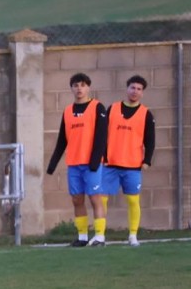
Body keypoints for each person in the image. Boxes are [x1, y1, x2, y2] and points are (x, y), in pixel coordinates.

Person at [46, 73, 109, 247]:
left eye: (82, 85)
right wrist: (52, 164)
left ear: (88, 87)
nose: (79, 88)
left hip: (91, 163)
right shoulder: (67, 111)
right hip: (73, 163)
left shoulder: (97, 107)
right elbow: (62, 140)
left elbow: (102, 136)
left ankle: (100, 236)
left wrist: (96, 160)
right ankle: (82, 236)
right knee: (76, 200)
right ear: (71, 88)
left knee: (95, 198)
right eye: (75, 85)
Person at [102, 75, 155, 247]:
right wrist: (102, 156)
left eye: (139, 89)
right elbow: (102, 134)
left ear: (143, 93)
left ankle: (133, 235)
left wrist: (147, 160)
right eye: (132, 88)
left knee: (133, 200)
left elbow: (150, 140)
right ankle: (99, 235)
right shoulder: (113, 109)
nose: (135, 91)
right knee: (101, 199)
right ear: (127, 89)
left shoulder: (146, 114)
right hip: (110, 163)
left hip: (133, 165)